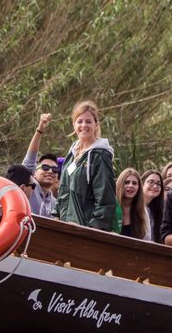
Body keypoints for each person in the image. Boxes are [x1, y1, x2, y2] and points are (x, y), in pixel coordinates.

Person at [52, 100, 117, 230]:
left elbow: (106, 198)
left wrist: (93, 229)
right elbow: (63, 190)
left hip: (85, 229)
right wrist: (57, 216)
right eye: (80, 121)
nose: (84, 125)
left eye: (88, 121)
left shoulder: (100, 155)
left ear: (96, 125)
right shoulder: (72, 153)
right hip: (65, 226)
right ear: (74, 125)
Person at [20, 113, 59, 217]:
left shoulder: (55, 204)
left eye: (55, 170)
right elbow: (29, 160)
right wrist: (40, 130)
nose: (50, 171)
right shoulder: (29, 188)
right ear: (34, 172)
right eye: (45, 167)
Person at [114, 168, 149, 240]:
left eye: (134, 183)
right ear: (120, 185)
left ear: (139, 188)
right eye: (126, 182)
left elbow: (147, 239)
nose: (131, 186)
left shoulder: (143, 211)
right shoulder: (111, 207)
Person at [141, 169, 164, 243]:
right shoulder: (133, 207)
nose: (155, 186)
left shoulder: (157, 211)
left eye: (158, 184)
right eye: (151, 182)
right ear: (142, 184)